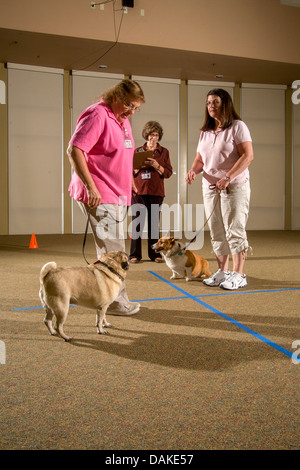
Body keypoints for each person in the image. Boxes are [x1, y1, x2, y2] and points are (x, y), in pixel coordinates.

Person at [67, 79, 145, 315]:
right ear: (116, 97)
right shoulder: (98, 115)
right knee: (114, 253)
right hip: (100, 192)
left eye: (136, 109)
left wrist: (129, 179)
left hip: (117, 191)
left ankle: (101, 296)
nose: (131, 112)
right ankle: (115, 302)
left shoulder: (122, 119)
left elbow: (125, 152)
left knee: (110, 249)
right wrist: (91, 187)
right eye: (129, 105)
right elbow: (75, 149)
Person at [186, 88, 253, 290]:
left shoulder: (238, 127)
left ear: (225, 104)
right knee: (216, 231)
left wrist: (228, 176)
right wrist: (192, 170)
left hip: (234, 187)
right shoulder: (206, 132)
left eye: (215, 102)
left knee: (234, 229)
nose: (211, 106)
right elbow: (200, 159)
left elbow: (247, 156)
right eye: (208, 103)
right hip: (210, 187)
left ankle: (239, 274)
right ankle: (223, 272)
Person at [129, 121, 173, 263]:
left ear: (159, 136)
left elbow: (168, 173)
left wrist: (156, 165)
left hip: (156, 192)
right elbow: (129, 171)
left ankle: (155, 254)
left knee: (154, 224)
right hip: (138, 191)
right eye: (150, 135)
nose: (153, 138)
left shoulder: (164, 152)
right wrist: (136, 169)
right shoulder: (137, 151)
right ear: (146, 136)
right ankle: (135, 255)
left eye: (155, 135)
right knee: (137, 224)